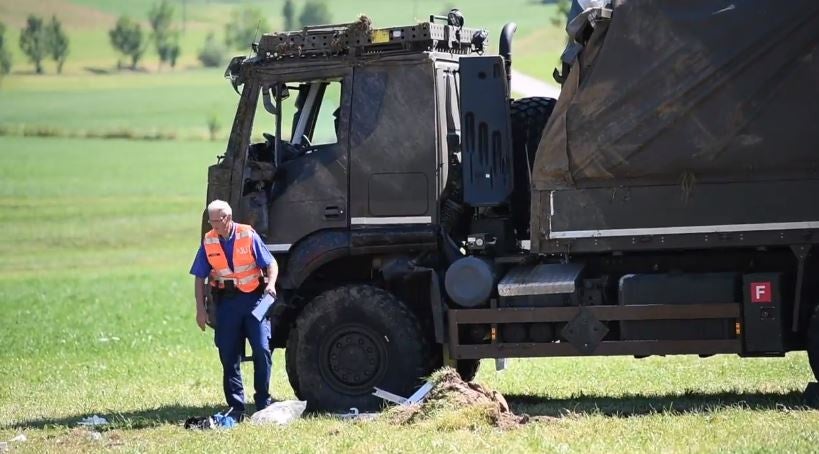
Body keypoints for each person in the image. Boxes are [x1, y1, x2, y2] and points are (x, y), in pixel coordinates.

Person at [190, 199, 278, 421]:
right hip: (227, 303)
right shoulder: (209, 240)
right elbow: (199, 276)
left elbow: (271, 263)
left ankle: (263, 402)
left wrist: (271, 285)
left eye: (216, 221)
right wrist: (201, 310)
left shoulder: (248, 235)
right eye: (211, 221)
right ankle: (236, 407)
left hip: (254, 301)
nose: (213, 225)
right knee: (228, 354)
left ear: (227, 218)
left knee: (261, 350)